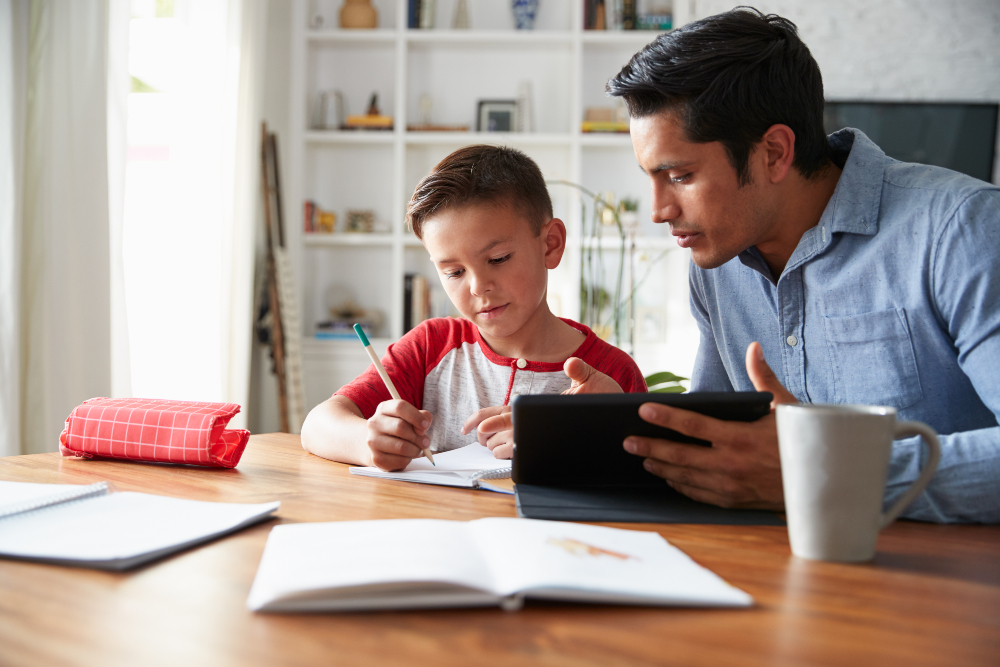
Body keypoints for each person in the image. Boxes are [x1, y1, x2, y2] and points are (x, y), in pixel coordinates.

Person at [480, 8, 1000, 523]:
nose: (659, 210)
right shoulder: (716, 263)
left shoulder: (962, 228)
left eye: (680, 175)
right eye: (652, 178)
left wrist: (823, 472)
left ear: (774, 153)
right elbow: (713, 442)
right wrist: (613, 427)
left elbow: (791, 472)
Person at [300, 145, 647, 471]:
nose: (479, 286)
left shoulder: (610, 373)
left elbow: (641, 478)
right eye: (454, 272)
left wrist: (576, 439)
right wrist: (368, 441)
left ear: (550, 245)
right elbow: (318, 424)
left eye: (498, 259)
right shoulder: (431, 347)